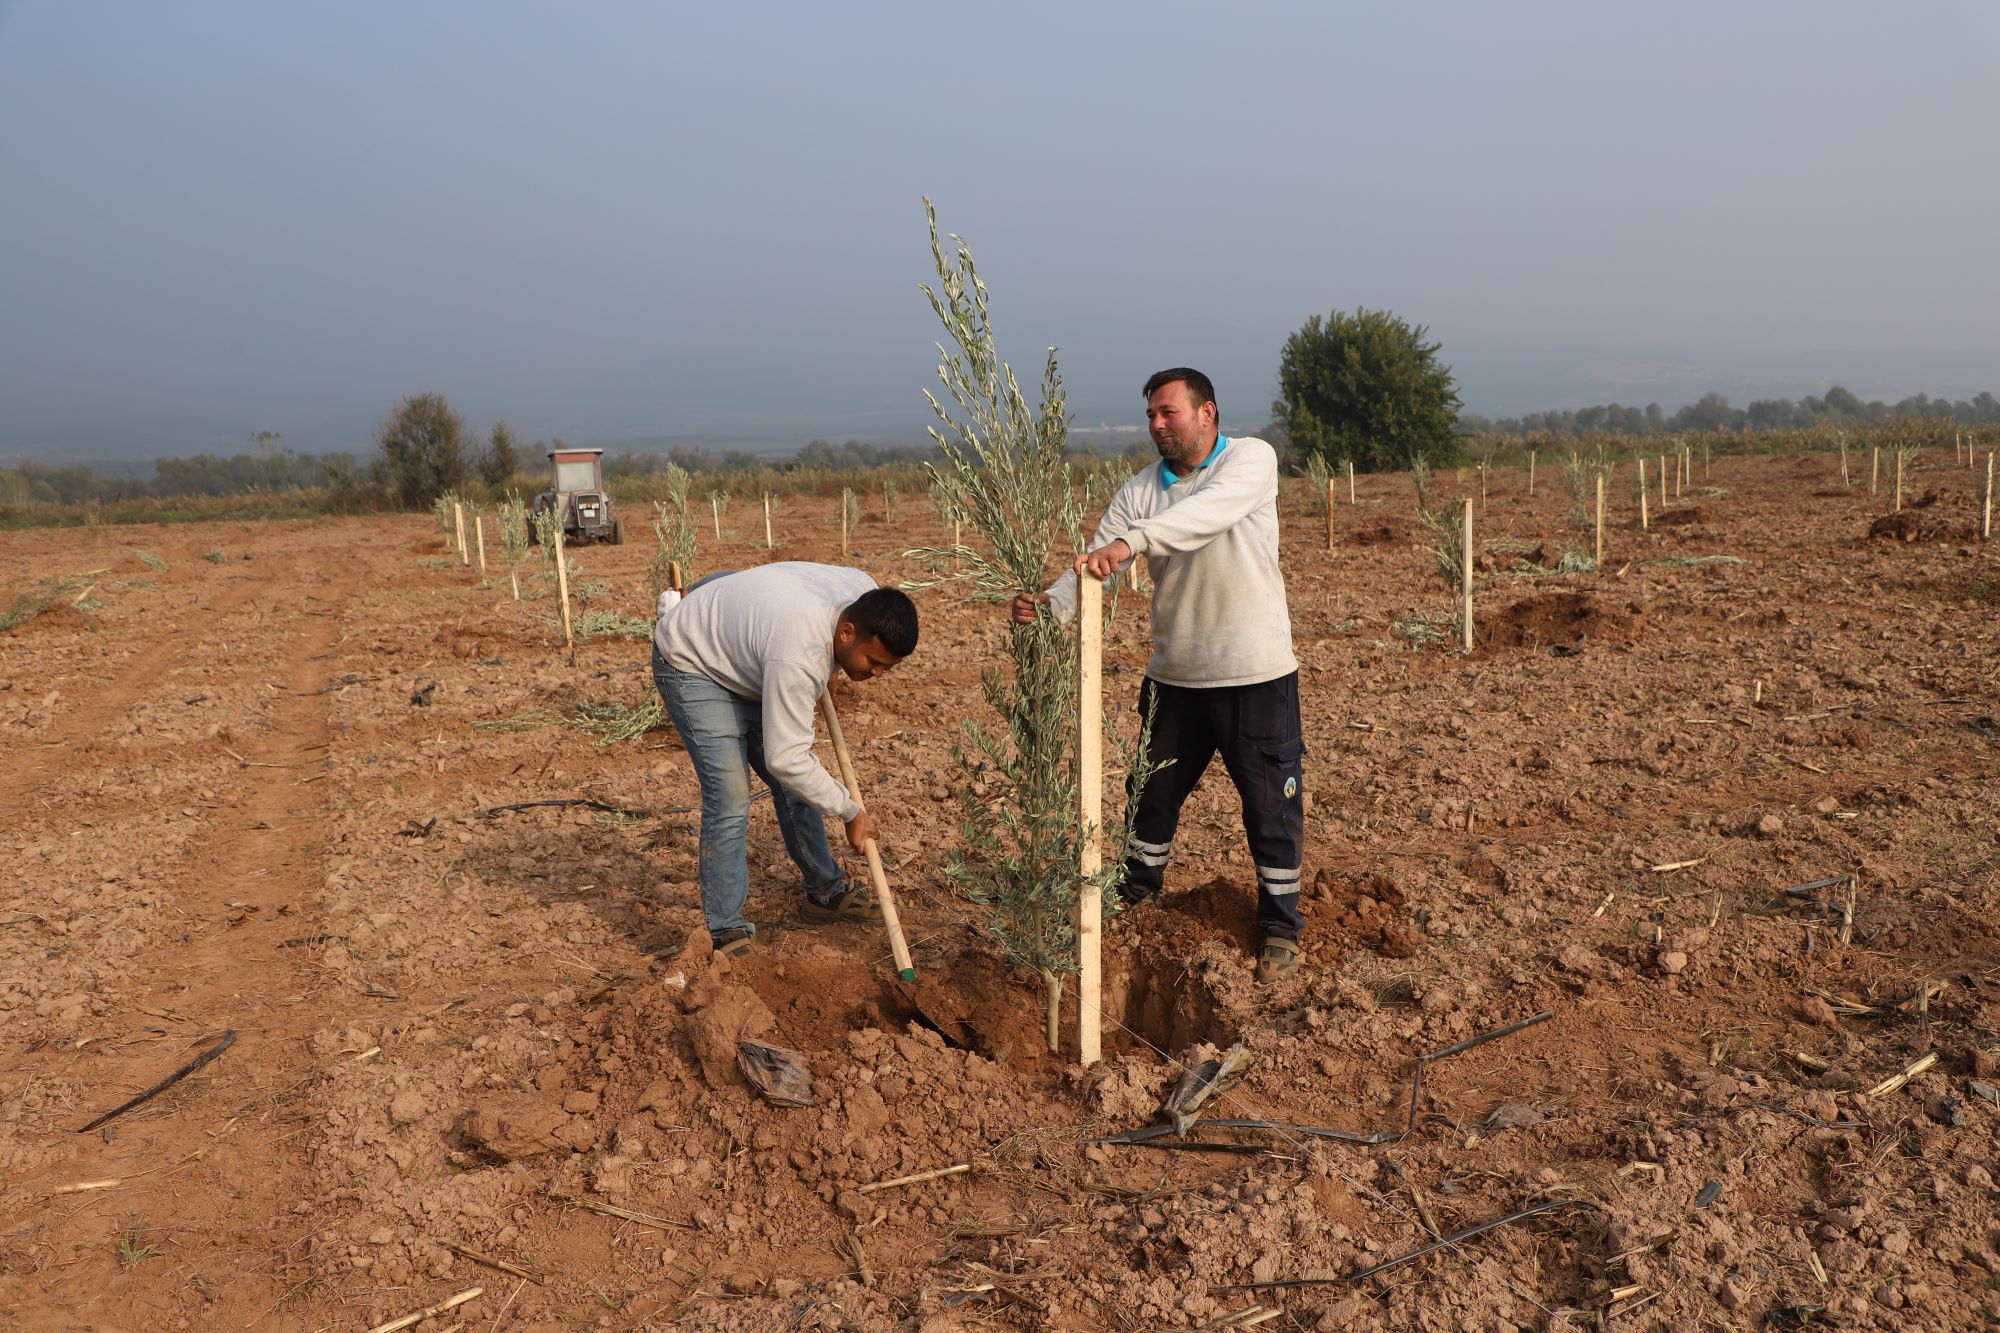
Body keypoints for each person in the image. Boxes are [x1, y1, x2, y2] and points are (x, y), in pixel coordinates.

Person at [1014, 368, 1305, 981]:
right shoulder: (1139, 491)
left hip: (1255, 673)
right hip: (1175, 678)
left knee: (1269, 806)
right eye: (1151, 414)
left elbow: (1205, 515)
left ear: (1208, 413)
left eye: (1169, 412)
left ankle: (1280, 924)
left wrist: (1134, 542)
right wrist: (1050, 607)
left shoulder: (1251, 460)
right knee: (1149, 797)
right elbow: (1100, 561)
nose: (1157, 424)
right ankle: (1136, 896)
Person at [653, 562, 919, 957]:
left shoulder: (861, 589)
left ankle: (825, 893)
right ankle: (726, 930)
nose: (878, 674)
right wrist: (849, 811)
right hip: (693, 663)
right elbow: (786, 758)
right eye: (873, 662)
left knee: (798, 787)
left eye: (887, 667)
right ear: (846, 632)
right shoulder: (799, 658)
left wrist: (836, 664)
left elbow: (764, 579)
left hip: (754, 658)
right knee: (730, 798)